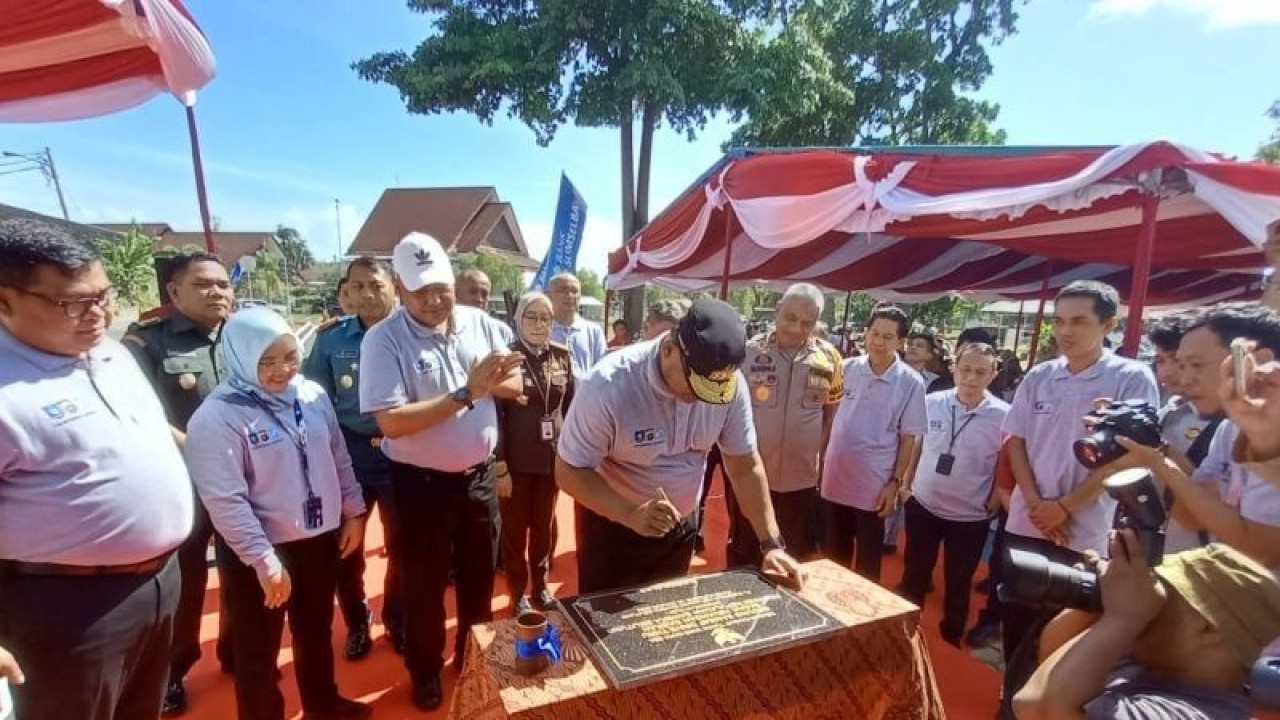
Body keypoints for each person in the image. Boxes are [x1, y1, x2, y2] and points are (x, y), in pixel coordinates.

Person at [0, 219, 193, 720]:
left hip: (157, 583)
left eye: (104, 295)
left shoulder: (107, 352)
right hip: (66, 608)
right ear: (4, 301)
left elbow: (146, 431)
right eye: (74, 302)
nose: (99, 313)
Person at [359, 233, 525, 711]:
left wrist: (494, 383)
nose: (433, 301)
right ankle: (425, 671)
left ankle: (471, 658)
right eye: (419, 291)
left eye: (440, 287)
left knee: (478, 583)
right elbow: (391, 420)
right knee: (424, 585)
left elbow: (513, 381)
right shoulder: (384, 340)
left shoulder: (480, 322)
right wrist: (468, 391)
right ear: (399, 288)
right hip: (420, 484)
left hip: (478, 477)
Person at [185, 308, 370, 720]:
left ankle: (324, 703)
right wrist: (264, 561)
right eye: (266, 361)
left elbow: (338, 457)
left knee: (316, 632)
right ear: (240, 357)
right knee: (258, 651)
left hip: (319, 539)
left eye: (289, 356)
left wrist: (354, 511)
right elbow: (225, 500)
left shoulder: (311, 395)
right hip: (260, 552)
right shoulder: (218, 416)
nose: (281, 370)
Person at [557, 298, 805, 594]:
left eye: (713, 391)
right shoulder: (609, 385)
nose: (703, 399)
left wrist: (771, 544)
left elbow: (744, 466)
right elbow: (568, 470)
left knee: (667, 624)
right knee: (605, 630)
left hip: (680, 527)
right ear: (668, 351)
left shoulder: (727, 383)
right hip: (612, 528)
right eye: (695, 387)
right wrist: (629, 513)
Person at [999, 280, 1159, 672]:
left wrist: (1066, 507)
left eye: (1079, 321)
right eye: (1060, 321)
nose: (1066, 331)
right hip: (1027, 519)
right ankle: (1011, 698)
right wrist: (1038, 504)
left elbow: (1127, 457)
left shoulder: (1131, 378)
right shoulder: (1039, 375)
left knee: (1063, 629)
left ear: (1107, 325)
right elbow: (1014, 441)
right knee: (1015, 619)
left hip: (1085, 528)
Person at [123, 251, 235, 715]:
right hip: (184, 489)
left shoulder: (245, 338)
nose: (218, 293)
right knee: (186, 586)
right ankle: (174, 669)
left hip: (244, 484)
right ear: (174, 292)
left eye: (224, 284)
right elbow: (137, 412)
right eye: (205, 284)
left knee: (247, 574)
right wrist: (198, 449)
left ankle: (240, 653)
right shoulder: (147, 344)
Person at [1014, 535, 1280, 720]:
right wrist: (1098, 603)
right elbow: (1052, 655)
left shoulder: (1192, 713)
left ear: (1208, 629)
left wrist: (1123, 617)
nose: (1147, 600)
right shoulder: (1153, 662)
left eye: (1161, 597)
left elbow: (1036, 708)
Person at [1117, 303, 1280, 571]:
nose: (1186, 378)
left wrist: (1161, 463)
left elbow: (1261, 552)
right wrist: (1155, 453)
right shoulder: (1229, 430)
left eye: (1196, 365)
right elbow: (1190, 516)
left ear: (1257, 361)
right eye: (1182, 365)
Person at [302, 257, 405, 659]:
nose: (366, 295)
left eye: (375, 286)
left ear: (393, 287)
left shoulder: (411, 333)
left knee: (403, 546)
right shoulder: (332, 339)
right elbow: (315, 400)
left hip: (401, 453)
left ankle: (397, 616)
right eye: (357, 286)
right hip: (351, 455)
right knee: (347, 548)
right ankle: (357, 622)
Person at [899, 343, 1008, 646]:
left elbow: (1005, 460)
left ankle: (951, 638)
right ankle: (904, 635)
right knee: (914, 575)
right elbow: (918, 444)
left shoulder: (1003, 415)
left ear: (993, 374)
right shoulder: (931, 401)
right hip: (923, 504)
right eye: (966, 369)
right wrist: (906, 486)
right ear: (953, 369)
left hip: (970, 515)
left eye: (980, 372)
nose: (971, 378)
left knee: (958, 583)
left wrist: (997, 499)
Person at [728, 283, 843, 566]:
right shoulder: (747, 354)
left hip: (800, 481)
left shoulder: (830, 358)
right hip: (751, 476)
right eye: (790, 318)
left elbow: (831, 413)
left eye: (807, 323)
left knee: (794, 555)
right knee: (745, 551)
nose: (796, 328)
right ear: (777, 310)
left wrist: (817, 454)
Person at [820, 304, 927, 583]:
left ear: (900, 342)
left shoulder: (910, 382)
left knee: (868, 564)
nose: (878, 342)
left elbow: (909, 438)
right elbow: (828, 418)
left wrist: (895, 482)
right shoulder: (844, 369)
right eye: (874, 333)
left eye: (888, 337)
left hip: (873, 485)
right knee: (832, 557)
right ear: (865, 334)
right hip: (834, 478)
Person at [496, 292, 576, 614]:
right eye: (532, 317)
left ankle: (540, 587)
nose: (539, 324)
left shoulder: (561, 356)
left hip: (549, 461)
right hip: (515, 463)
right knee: (515, 532)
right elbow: (496, 416)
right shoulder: (507, 359)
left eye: (546, 318)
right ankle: (517, 594)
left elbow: (569, 408)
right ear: (518, 320)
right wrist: (499, 464)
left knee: (544, 527)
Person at [1144, 310, 1222, 554]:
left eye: (1178, 362)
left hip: (1197, 553)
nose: (1166, 372)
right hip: (1158, 545)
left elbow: (1206, 501)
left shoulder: (1229, 423)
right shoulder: (1171, 409)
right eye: (1160, 361)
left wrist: (1159, 451)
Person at [548, 272, 606, 376]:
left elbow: (601, 370)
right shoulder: (541, 330)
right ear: (549, 295)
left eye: (574, 291)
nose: (569, 295)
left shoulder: (593, 331)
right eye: (563, 290)